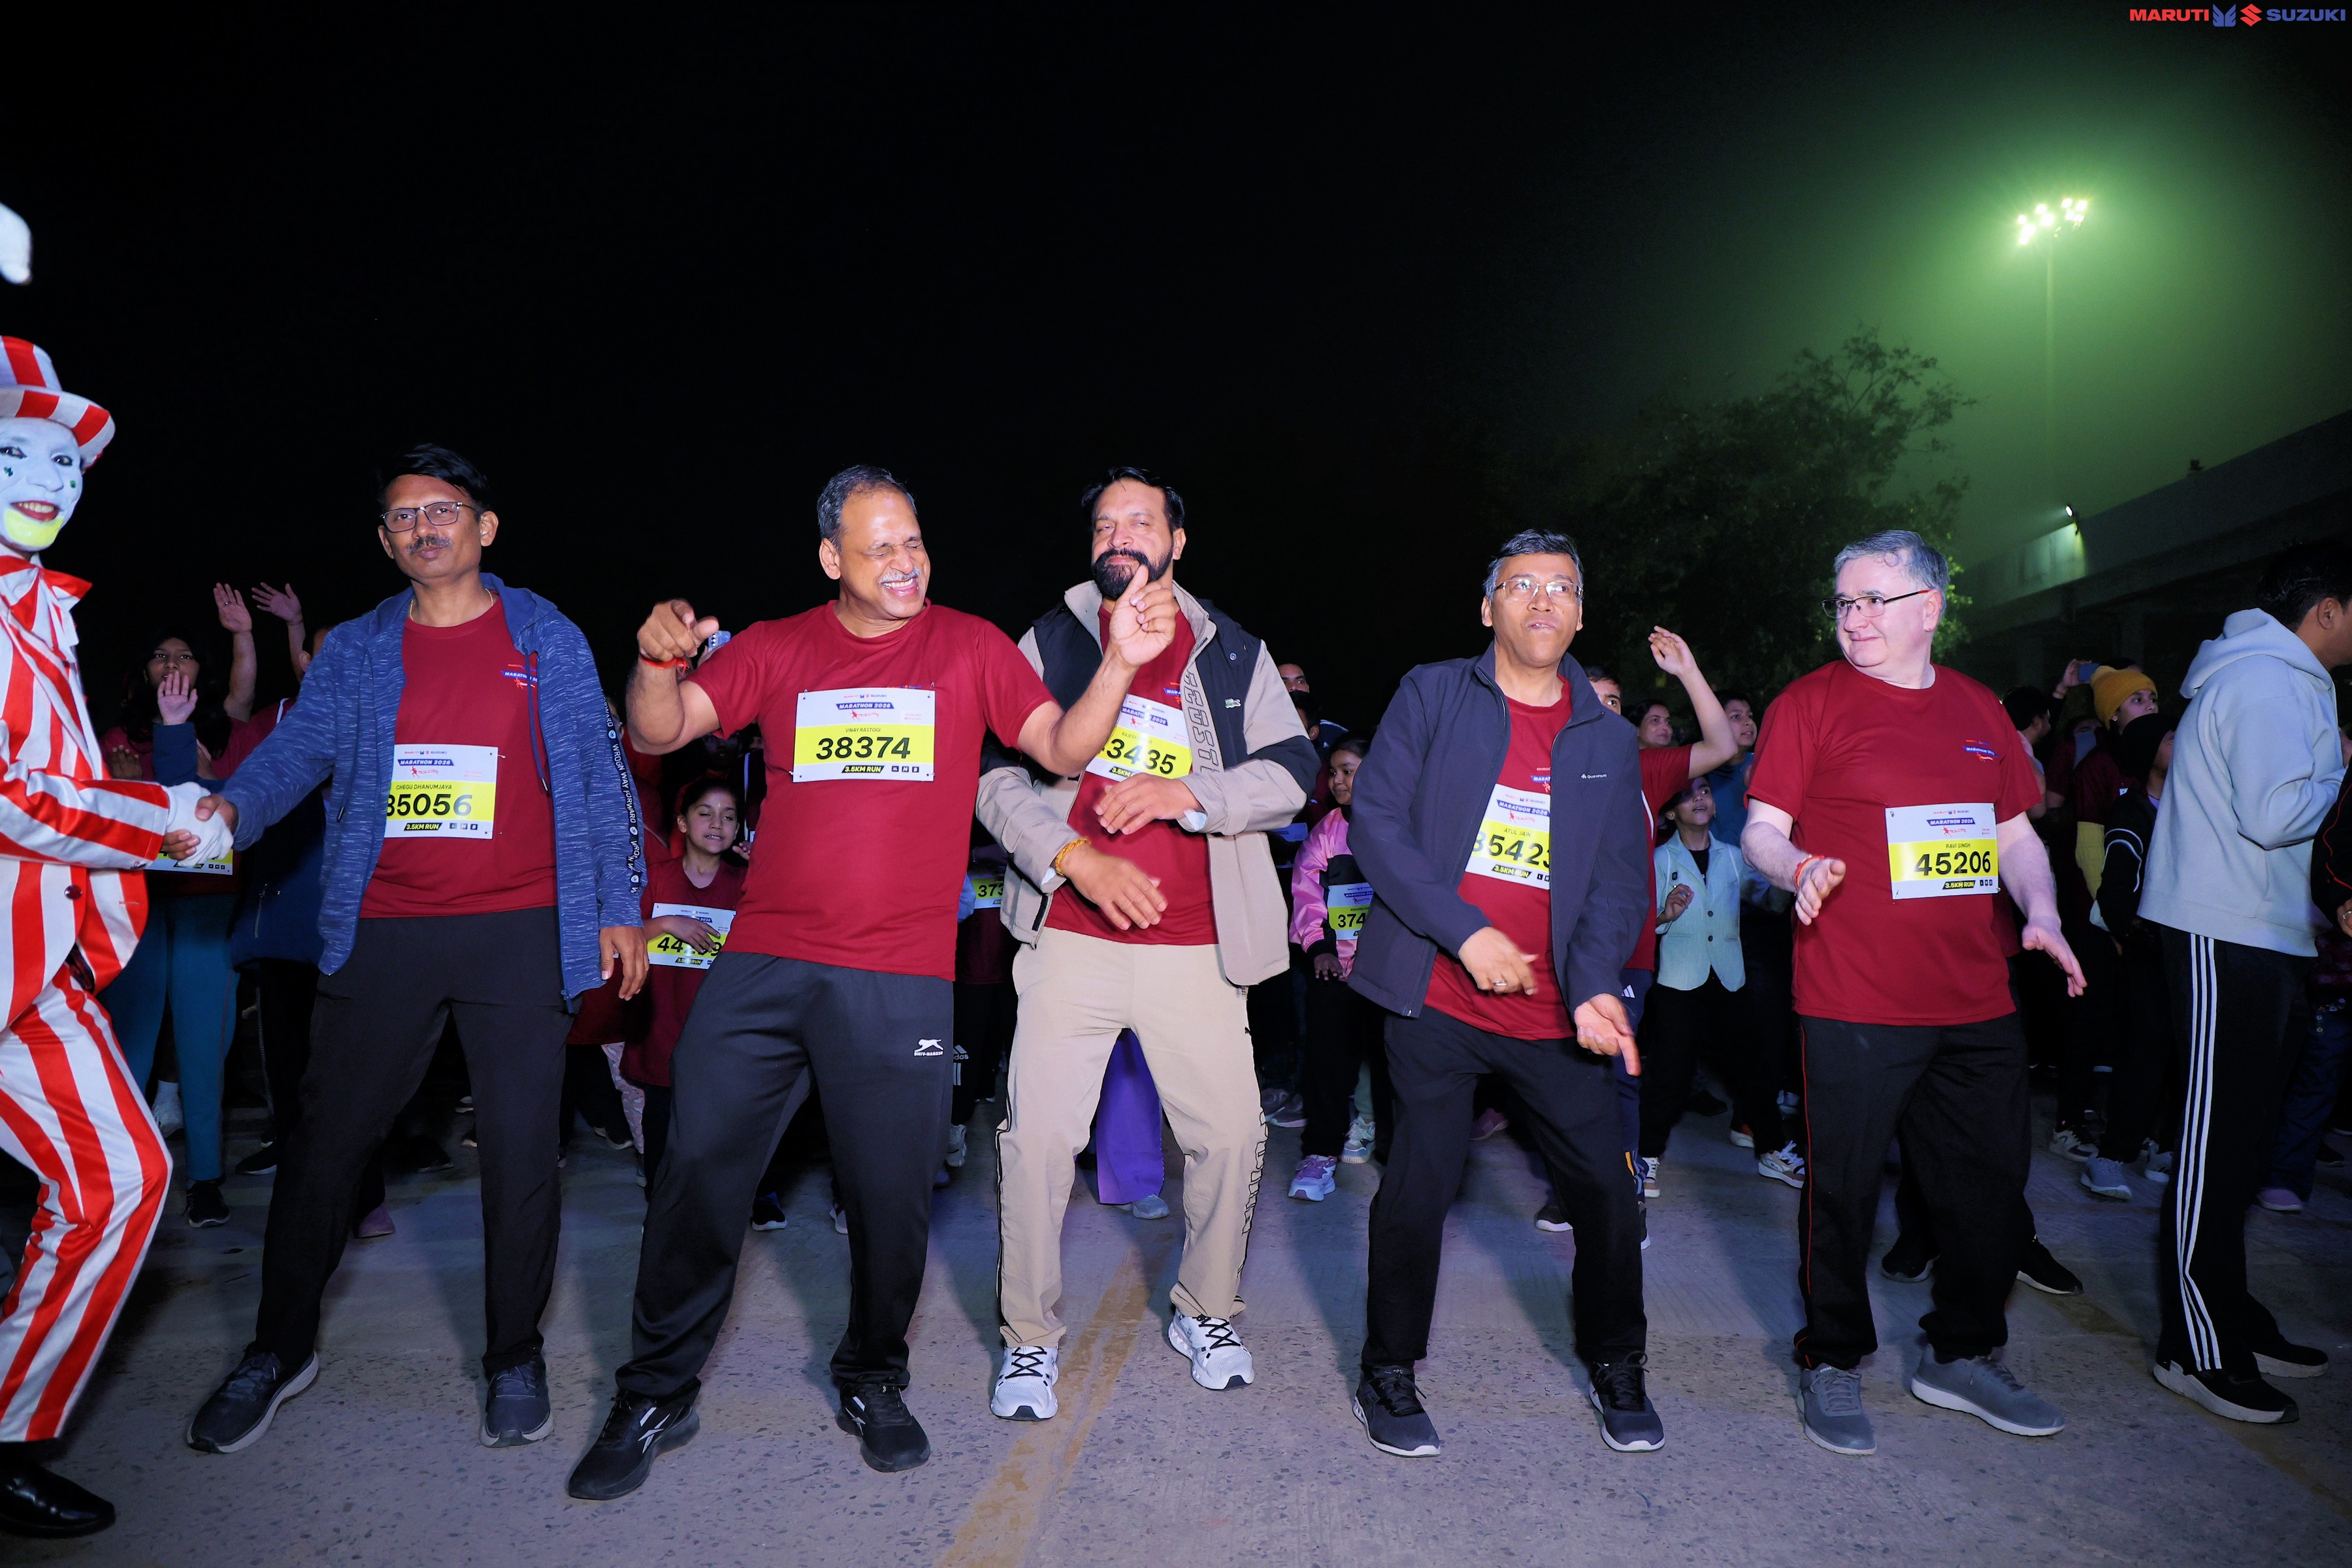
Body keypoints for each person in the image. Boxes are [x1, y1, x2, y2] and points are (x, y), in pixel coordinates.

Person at [569, 464, 1174, 1496]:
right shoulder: (780, 646)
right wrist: (656, 664)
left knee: (893, 1199)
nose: (905, 563)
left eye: (914, 542)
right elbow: (658, 728)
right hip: (765, 965)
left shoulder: (970, 646)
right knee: (696, 1175)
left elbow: (1063, 745)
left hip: (898, 977)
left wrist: (1118, 663)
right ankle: (655, 1391)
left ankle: (873, 1377)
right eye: (880, 547)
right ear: (831, 559)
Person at [183, 443, 649, 1458]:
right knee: (324, 1148)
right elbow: (297, 752)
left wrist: (620, 904)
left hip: (521, 930)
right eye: (404, 516)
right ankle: (277, 1349)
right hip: (385, 928)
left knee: (521, 1155)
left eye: (442, 510)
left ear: (486, 527)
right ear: (386, 542)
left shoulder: (545, 635)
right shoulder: (357, 648)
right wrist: (234, 807)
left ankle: (514, 1355)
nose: (424, 527)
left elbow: (597, 770)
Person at [973, 466, 1313, 1424]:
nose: (1119, 534)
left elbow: (1292, 771)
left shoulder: (1232, 651)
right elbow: (993, 776)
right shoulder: (1051, 638)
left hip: (1195, 946)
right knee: (1036, 1143)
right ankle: (1030, 1339)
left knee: (1233, 1137)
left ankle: (1206, 1311)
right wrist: (1070, 857)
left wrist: (1189, 794)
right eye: (1104, 524)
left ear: (1177, 542)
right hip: (1070, 936)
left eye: (1141, 520)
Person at [1741, 528, 2081, 1458]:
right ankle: (1832, 1356)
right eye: (1843, 603)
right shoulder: (1809, 703)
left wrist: (2043, 912)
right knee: (1843, 1194)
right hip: (1853, 998)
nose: (1853, 619)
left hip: (1977, 999)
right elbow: (1761, 827)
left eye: (1872, 600)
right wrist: (1798, 865)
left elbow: (2014, 836)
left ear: (1929, 607)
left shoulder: (1978, 709)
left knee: (1988, 1193)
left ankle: (1961, 1354)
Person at [1346, 529, 1657, 1458]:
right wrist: (1465, 931)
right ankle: (1388, 1370)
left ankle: (1617, 1360)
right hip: (1436, 999)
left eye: (1561, 587)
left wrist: (1594, 986)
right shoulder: (1433, 693)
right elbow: (1377, 823)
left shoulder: (1607, 739)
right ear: (1489, 609)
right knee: (1419, 1188)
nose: (1542, 600)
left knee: (1609, 1194)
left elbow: (1618, 883)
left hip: (1554, 1014)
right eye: (1521, 585)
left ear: (1580, 615)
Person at [0, 340, 230, 1538]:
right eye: (13, 456)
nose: (46, 482)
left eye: (63, 464)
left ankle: (7, 1435)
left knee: (123, 1178)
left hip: (31, 965)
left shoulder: (39, 606)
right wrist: (164, 820)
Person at [2137, 540, 2352, 1422]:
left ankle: (2228, 1310)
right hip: (2221, 928)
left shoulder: (2289, 677)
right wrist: (2343, 764)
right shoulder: (2265, 680)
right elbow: (2274, 814)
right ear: (2327, 611)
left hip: (2259, 929)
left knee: (2247, 1139)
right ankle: (2193, 1345)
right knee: (2216, 1142)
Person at [1562, 634, 1736, 1218]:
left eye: (1614, 703)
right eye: (1589, 700)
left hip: (1626, 955)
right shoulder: (1539, 769)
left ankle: (1623, 1192)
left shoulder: (1645, 772)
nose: (1603, 711)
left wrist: (1688, 671)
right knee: (1561, 1080)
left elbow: (1723, 744)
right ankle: (1571, 1190)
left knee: (1616, 1076)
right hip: (1554, 951)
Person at [97, 628, 250, 1228]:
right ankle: (121, 1180)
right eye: (160, 654)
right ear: (144, 672)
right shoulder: (116, 740)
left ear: (202, 672)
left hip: (207, 905)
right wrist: (127, 793)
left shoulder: (228, 735)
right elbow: (100, 823)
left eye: (185, 654)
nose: (172, 662)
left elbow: (231, 813)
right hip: (138, 904)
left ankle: (205, 1178)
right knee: (128, 1044)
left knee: (203, 1046)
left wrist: (195, 776)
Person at [1637, 777, 1803, 1189]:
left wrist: (1788, 877)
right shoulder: (1659, 860)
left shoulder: (1733, 856)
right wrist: (1665, 915)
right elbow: (1641, 925)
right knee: (1668, 1074)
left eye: (1706, 791)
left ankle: (1772, 1150)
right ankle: (1646, 1156)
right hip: (1680, 980)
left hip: (1729, 978)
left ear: (1714, 807)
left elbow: (1768, 899)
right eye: (1688, 793)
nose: (1699, 798)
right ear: (1670, 812)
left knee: (1753, 1070)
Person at [624, 776, 747, 1184]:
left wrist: (765, 866)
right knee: (662, 1120)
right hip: (661, 1021)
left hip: (720, 1029)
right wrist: (666, 924)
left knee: (716, 1128)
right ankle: (659, 1203)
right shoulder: (654, 877)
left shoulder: (746, 884)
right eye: (705, 813)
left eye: (728, 817)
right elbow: (613, 939)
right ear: (682, 823)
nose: (717, 824)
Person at [2079, 710, 2180, 1201]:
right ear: (2148, 753)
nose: (2184, 744)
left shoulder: (2196, 808)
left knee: (2183, 1054)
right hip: (2150, 953)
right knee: (2145, 1054)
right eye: (2172, 738)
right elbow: (2116, 888)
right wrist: (2136, 935)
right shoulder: (2133, 810)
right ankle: (2112, 1155)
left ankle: (2165, 1144)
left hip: (2186, 951)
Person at [1288, 736, 1393, 1196]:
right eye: (1333, 772)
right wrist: (1320, 949)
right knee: (1327, 1065)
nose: (1337, 781)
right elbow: (1307, 895)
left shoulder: (1402, 826)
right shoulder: (1326, 833)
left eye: (1349, 770)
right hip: (1336, 970)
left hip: (1389, 973)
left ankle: (1397, 1155)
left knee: (1395, 1067)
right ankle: (1319, 1154)